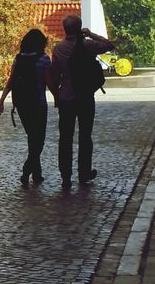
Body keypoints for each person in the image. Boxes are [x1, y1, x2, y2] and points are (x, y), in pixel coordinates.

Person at [50, 15, 116, 189]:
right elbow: (109, 45)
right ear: (79, 28)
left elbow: (54, 75)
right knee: (85, 136)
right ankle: (84, 172)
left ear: (64, 29)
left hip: (66, 96)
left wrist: (56, 96)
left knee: (65, 138)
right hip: (85, 95)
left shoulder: (58, 49)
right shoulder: (88, 45)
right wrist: (91, 34)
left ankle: (65, 176)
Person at [0, 29, 53, 187]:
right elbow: (49, 82)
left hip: (21, 104)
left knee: (32, 137)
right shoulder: (44, 59)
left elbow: (11, 81)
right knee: (38, 140)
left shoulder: (18, 59)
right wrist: (58, 97)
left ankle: (37, 173)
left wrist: (1, 101)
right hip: (39, 104)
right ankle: (27, 170)